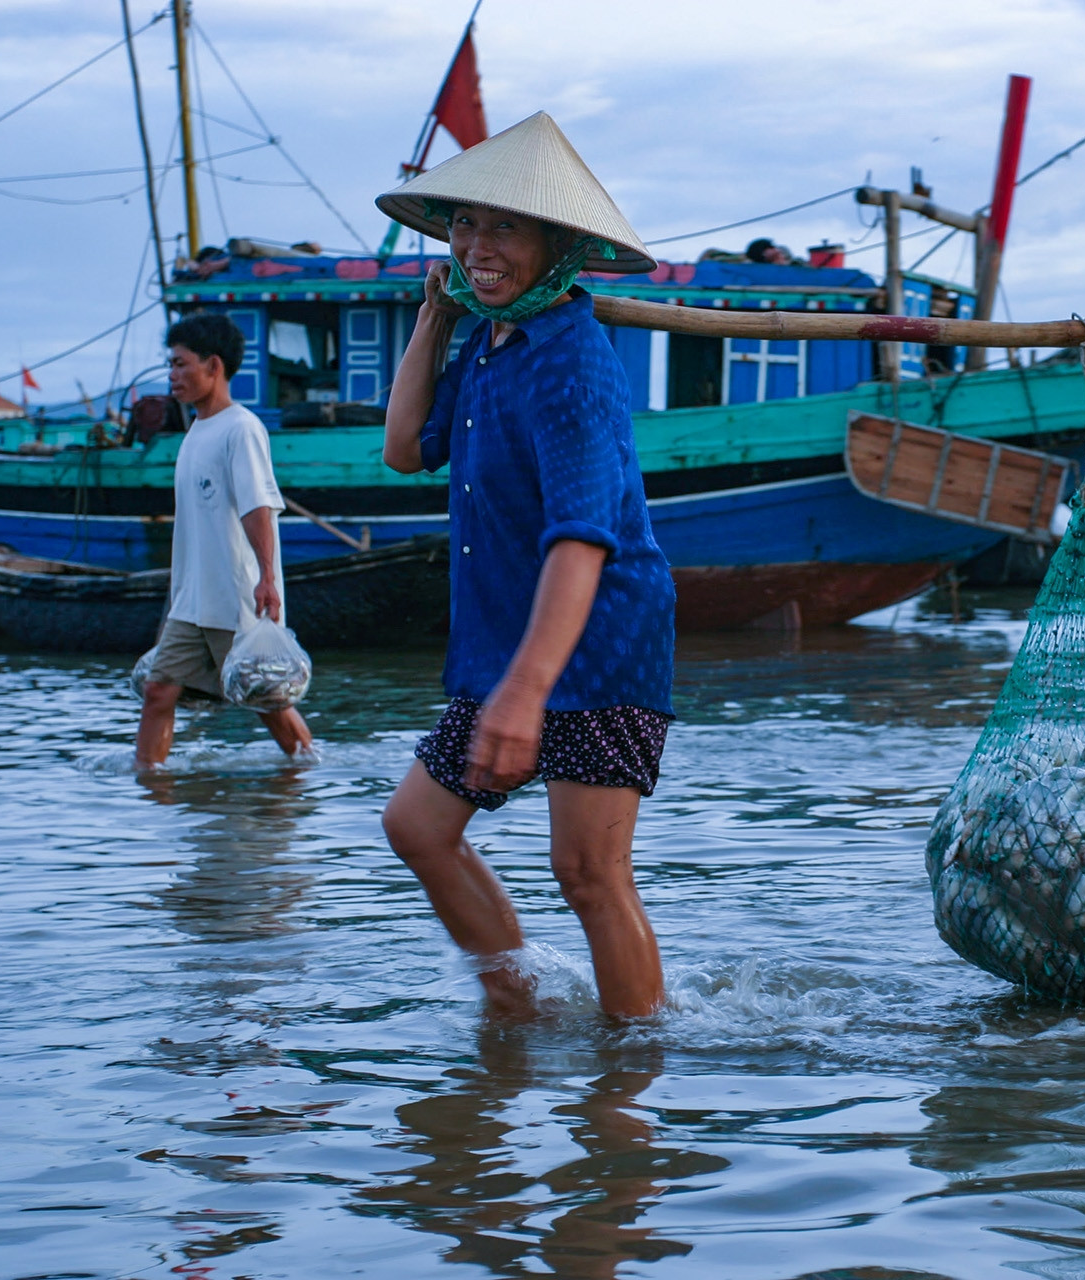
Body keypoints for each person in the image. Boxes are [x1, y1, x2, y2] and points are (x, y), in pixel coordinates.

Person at [374, 112, 677, 1020]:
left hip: (595, 649)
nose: (478, 245)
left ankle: (631, 1085)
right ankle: (521, 1001)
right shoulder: (489, 344)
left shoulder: (571, 360)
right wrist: (436, 313)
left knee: (588, 874)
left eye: (504, 226)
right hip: (510, 645)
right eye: (464, 224)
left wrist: (523, 697)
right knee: (419, 829)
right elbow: (401, 450)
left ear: (559, 245)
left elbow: (584, 537)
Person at [136, 312, 313, 768]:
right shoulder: (195, 431)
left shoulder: (241, 428)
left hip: (235, 598)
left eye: (180, 364)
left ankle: (306, 774)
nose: (172, 376)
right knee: (158, 690)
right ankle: (150, 788)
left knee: (266, 701)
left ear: (213, 366)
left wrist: (268, 579)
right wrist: (174, 597)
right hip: (192, 601)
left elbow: (259, 507)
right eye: (170, 365)